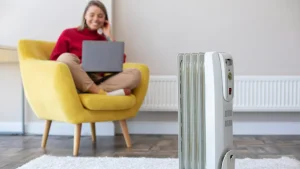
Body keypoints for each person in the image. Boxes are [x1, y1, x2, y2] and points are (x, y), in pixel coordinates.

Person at [49, 0, 141, 96]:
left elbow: (120, 62)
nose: (96, 19)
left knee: (135, 74)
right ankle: (100, 92)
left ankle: (89, 91)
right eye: (92, 15)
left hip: (96, 78)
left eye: (100, 16)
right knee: (65, 57)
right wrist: (78, 66)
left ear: (105, 20)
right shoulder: (68, 33)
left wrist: (109, 36)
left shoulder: (103, 39)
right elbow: (54, 60)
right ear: (85, 16)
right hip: (75, 77)